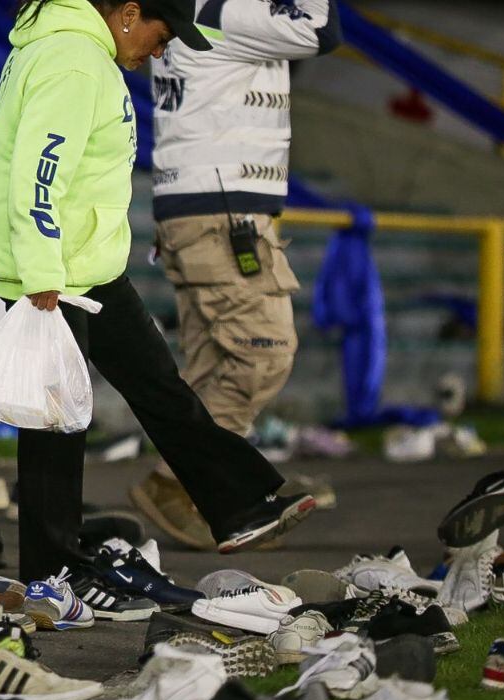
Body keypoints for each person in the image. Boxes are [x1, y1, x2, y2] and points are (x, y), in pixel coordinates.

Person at [0, 0, 315, 585]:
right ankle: (52, 577)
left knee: (154, 385)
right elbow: (39, 169)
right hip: (59, 275)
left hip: (83, 267)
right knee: (56, 425)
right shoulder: (76, 62)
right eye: (161, 33)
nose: (161, 50)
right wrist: (41, 270)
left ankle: (240, 503)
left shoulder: (56, 51)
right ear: (128, 12)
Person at [134, 0, 341, 549]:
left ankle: (202, 495)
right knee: (263, 352)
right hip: (222, 212)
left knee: (212, 369)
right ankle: (180, 483)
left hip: (199, 207)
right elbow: (322, 27)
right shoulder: (221, 7)